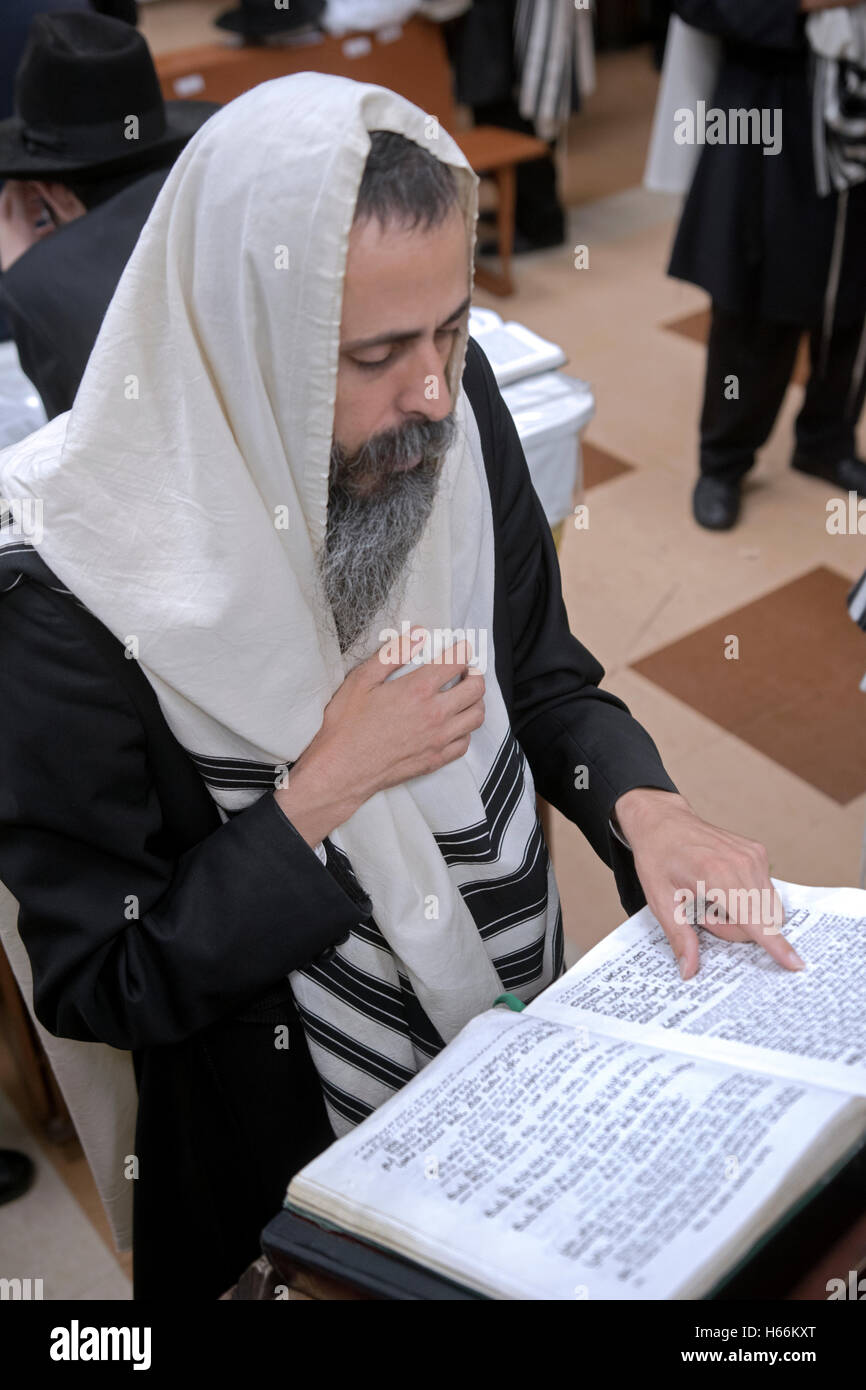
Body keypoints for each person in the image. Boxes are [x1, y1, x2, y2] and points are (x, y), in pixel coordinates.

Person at [0, 73, 803, 1300]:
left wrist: (646, 807)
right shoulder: (73, 587)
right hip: (285, 1135)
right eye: (373, 355)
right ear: (242, 342)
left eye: (449, 329)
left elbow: (541, 679)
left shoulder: (450, 399)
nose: (431, 393)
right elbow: (108, 980)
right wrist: (317, 793)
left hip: (510, 1029)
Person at [668, 0, 866, 529]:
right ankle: (723, 462)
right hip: (767, 105)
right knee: (754, 296)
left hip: (857, 99)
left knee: (852, 290)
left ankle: (827, 438)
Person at [0, 11, 217, 418]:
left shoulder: (39, 288)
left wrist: (28, 271)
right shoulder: (221, 204)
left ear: (52, 193)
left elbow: (85, 460)